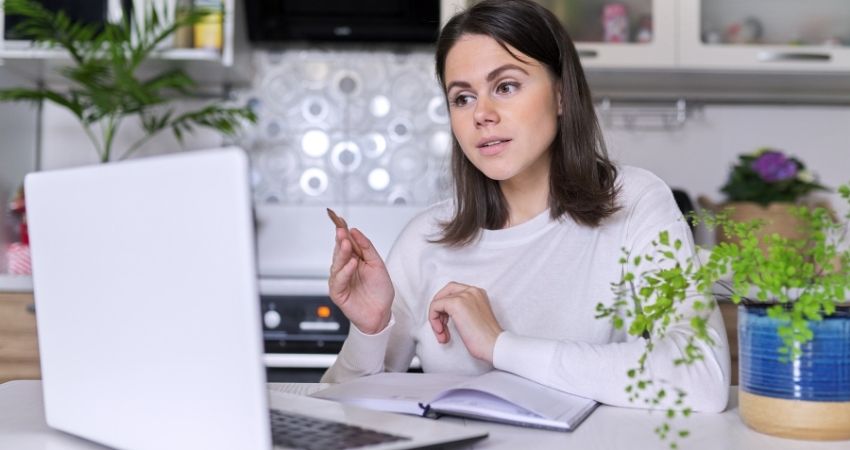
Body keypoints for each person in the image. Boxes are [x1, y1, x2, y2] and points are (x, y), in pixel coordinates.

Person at [323, 0, 730, 412]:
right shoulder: (425, 239)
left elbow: (703, 377)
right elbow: (337, 409)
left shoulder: (635, 202)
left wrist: (502, 347)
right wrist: (370, 330)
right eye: (462, 97)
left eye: (506, 86)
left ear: (560, 95)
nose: (482, 113)